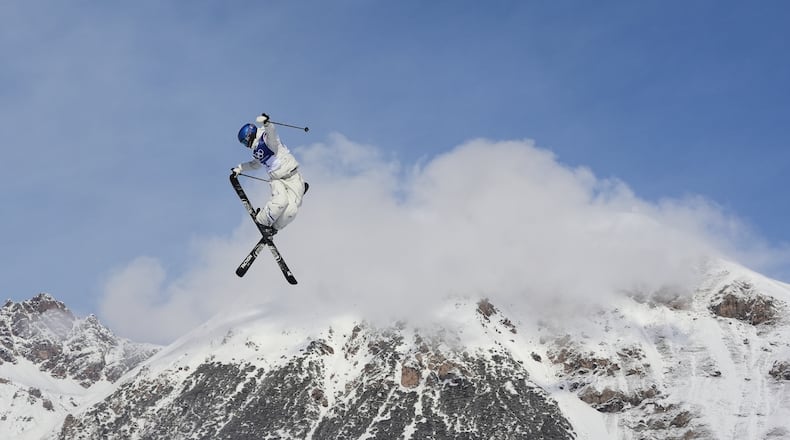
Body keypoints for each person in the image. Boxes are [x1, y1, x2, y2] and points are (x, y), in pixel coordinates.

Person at [232, 113, 307, 236]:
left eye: (245, 142)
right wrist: (240, 168)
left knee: (291, 211)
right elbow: (255, 164)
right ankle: (262, 220)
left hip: (293, 177)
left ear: (249, 135)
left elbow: (272, 134)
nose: (246, 146)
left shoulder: (266, 139)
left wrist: (267, 123)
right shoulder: (257, 150)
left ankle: (273, 228)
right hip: (277, 180)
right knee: (280, 201)